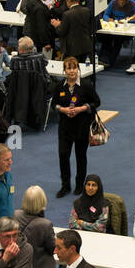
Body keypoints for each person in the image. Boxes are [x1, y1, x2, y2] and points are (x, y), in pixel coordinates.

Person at [54, 56, 100, 198]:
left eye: (74, 68)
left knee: (80, 156)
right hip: (65, 128)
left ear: (78, 69)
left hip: (82, 127)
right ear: (64, 70)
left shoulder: (86, 85)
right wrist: (63, 110)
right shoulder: (59, 86)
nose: (71, 71)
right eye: (68, 68)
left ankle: (80, 185)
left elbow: (96, 102)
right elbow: (53, 104)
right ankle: (65, 185)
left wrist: (82, 108)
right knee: (63, 156)